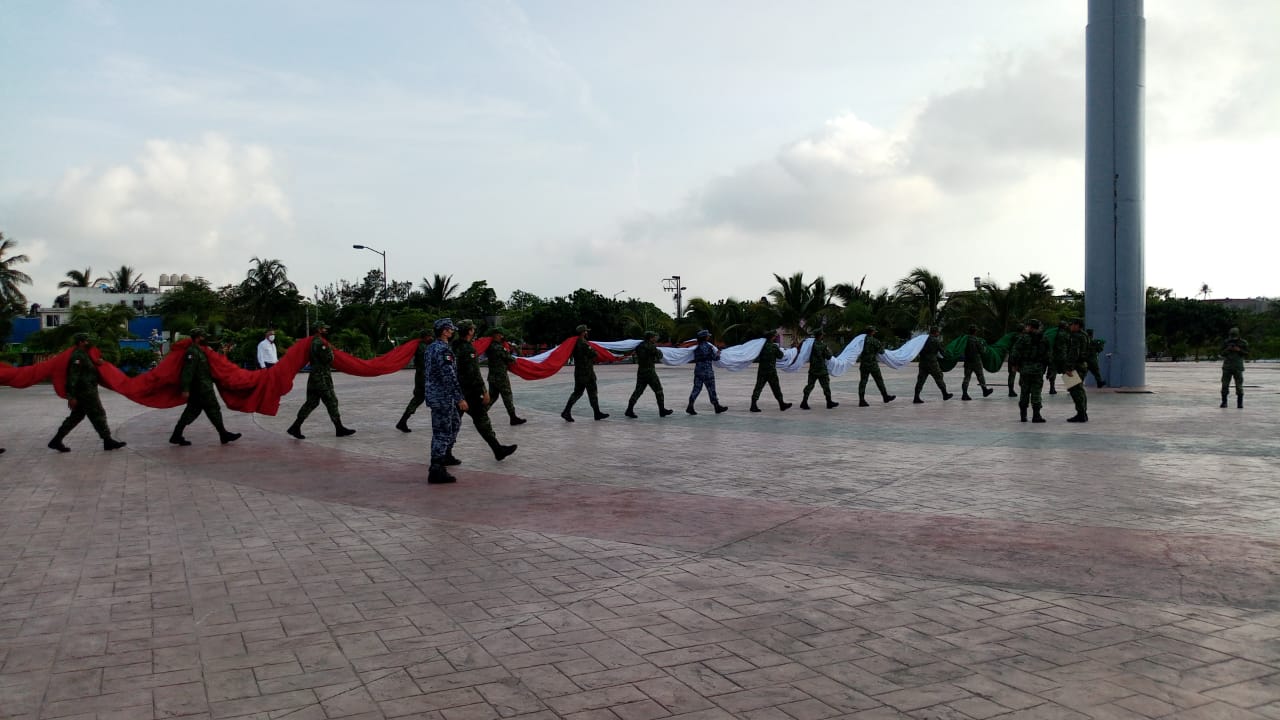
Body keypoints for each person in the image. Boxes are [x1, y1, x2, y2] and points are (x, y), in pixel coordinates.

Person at [48, 333, 127, 452]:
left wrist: (100, 362)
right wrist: (71, 396)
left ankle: (56, 440)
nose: (88, 342)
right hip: (85, 393)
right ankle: (107, 441)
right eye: (86, 340)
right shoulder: (77, 356)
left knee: (76, 417)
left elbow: (92, 367)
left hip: (88, 391)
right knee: (98, 414)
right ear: (80, 342)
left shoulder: (85, 355)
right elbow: (72, 377)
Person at [452, 321, 518, 461]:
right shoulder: (468, 349)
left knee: (453, 422)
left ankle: (445, 453)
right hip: (470, 392)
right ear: (469, 331)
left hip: (457, 391)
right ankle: (498, 449)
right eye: (472, 329)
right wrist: (483, 391)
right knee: (482, 420)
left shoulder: (454, 346)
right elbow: (473, 373)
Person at [170, 327, 242, 445]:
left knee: (192, 411)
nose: (205, 338)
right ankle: (223, 434)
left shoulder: (200, 350)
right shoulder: (193, 352)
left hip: (202, 387)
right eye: (203, 336)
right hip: (201, 388)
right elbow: (188, 371)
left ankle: (176, 435)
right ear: (198, 338)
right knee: (213, 409)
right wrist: (185, 388)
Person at [287, 323, 356, 440]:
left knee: (311, 403)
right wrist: (332, 352)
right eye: (324, 329)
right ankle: (339, 428)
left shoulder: (313, 342)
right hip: (321, 378)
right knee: (332, 401)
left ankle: (295, 426)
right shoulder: (320, 343)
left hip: (314, 377)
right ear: (319, 330)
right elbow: (328, 359)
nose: (326, 330)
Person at [424, 318, 464, 483]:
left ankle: (445, 454)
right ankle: (436, 468)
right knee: (442, 431)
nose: (453, 332)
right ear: (444, 331)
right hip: (442, 396)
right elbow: (449, 375)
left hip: (437, 395)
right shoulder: (442, 350)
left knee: (454, 422)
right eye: (450, 330)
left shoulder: (431, 348)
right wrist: (459, 397)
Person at [562, 324, 608, 422]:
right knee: (592, 393)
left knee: (577, 393)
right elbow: (593, 354)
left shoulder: (574, 343)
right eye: (586, 331)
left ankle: (566, 411)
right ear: (583, 332)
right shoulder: (583, 343)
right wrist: (595, 350)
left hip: (579, 372)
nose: (587, 332)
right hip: (587, 373)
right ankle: (597, 413)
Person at [1009, 319, 1051, 423]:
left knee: (1024, 392)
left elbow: (1015, 352)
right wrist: (1048, 368)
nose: (1026, 328)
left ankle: (1023, 416)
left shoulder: (1023, 338)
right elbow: (1048, 355)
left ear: (1031, 327)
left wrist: (1014, 365)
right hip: (1038, 369)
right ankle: (1036, 416)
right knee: (1036, 392)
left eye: (1027, 326)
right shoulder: (1044, 338)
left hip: (1025, 369)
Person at [626, 331, 674, 418]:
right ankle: (662, 410)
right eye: (654, 337)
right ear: (651, 338)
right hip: (650, 372)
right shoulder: (651, 346)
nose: (656, 338)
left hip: (641, 371)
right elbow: (660, 355)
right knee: (659, 390)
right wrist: (658, 351)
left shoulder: (639, 346)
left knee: (638, 391)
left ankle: (629, 409)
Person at [485, 327, 526, 425]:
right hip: (501, 377)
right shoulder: (498, 347)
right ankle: (513, 418)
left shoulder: (490, 346)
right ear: (496, 335)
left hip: (492, 377)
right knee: (507, 396)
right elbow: (509, 359)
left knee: (492, 397)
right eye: (500, 334)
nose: (502, 336)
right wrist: (517, 355)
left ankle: (480, 414)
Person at [396, 328, 432, 432]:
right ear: (425, 337)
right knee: (434, 398)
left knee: (417, 399)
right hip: (425, 377)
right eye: (429, 336)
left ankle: (402, 421)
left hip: (421, 376)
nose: (431, 338)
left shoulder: (421, 345)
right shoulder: (423, 347)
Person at [687, 329, 727, 415]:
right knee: (711, 389)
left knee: (696, 389)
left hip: (698, 371)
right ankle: (717, 407)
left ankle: (690, 406)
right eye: (708, 335)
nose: (709, 337)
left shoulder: (696, 347)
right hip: (707, 371)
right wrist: (718, 354)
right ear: (705, 337)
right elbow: (714, 358)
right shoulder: (709, 347)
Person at [750, 332, 791, 412]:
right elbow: (781, 356)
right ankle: (781, 404)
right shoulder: (774, 347)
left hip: (762, 370)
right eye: (774, 336)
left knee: (758, 387)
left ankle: (753, 405)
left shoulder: (761, 347)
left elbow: (756, 356)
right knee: (776, 388)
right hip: (771, 371)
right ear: (772, 337)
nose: (775, 337)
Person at [1060, 317, 1090, 423]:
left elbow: (1074, 353)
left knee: (1075, 391)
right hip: (1081, 365)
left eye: (1072, 324)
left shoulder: (1076, 337)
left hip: (1075, 367)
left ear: (1077, 325)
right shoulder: (1084, 335)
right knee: (1080, 390)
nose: (1070, 326)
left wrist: (1068, 368)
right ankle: (1083, 413)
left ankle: (1081, 414)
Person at [857, 325, 896, 407]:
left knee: (863, 382)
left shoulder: (861, 341)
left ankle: (861, 400)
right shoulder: (875, 341)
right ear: (872, 332)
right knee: (879, 381)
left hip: (864, 364)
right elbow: (881, 352)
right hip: (872, 364)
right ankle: (885, 396)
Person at [913, 326, 953, 403]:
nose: (938, 333)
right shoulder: (936, 341)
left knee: (920, 380)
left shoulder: (923, 340)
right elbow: (943, 353)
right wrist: (950, 357)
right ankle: (945, 394)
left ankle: (916, 397)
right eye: (938, 332)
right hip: (932, 363)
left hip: (923, 363)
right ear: (935, 332)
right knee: (939, 378)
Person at [800, 327, 838, 409]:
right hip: (821, 370)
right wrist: (829, 351)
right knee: (826, 386)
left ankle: (804, 401)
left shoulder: (811, 345)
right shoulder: (822, 345)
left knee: (810, 386)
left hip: (813, 369)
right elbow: (828, 357)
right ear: (820, 336)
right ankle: (829, 402)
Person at [961, 324, 994, 400]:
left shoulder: (965, 340)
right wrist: (985, 349)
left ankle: (964, 394)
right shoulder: (977, 340)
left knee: (966, 378)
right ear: (975, 331)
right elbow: (982, 351)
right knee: (980, 376)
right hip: (976, 362)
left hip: (968, 362)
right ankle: (985, 391)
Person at [1220, 327, 1249, 408]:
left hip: (1238, 367)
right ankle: (1224, 402)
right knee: (1224, 385)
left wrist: (1239, 350)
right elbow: (1221, 353)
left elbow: (1247, 353)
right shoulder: (1226, 342)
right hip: (1227, 367)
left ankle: (1240, 403)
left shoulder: (1243, 342)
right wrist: (1227, 349)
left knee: (1239, 386)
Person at [1046, 320, 1069, 395]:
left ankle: (1052, 388)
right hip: (1063, 356)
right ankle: (1071, 388)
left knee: (1053, 372)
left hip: (1053, 356)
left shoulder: (1054, 334)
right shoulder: (1065, 334)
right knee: (1068, 371)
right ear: (1064, 326)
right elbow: (1069, 344)